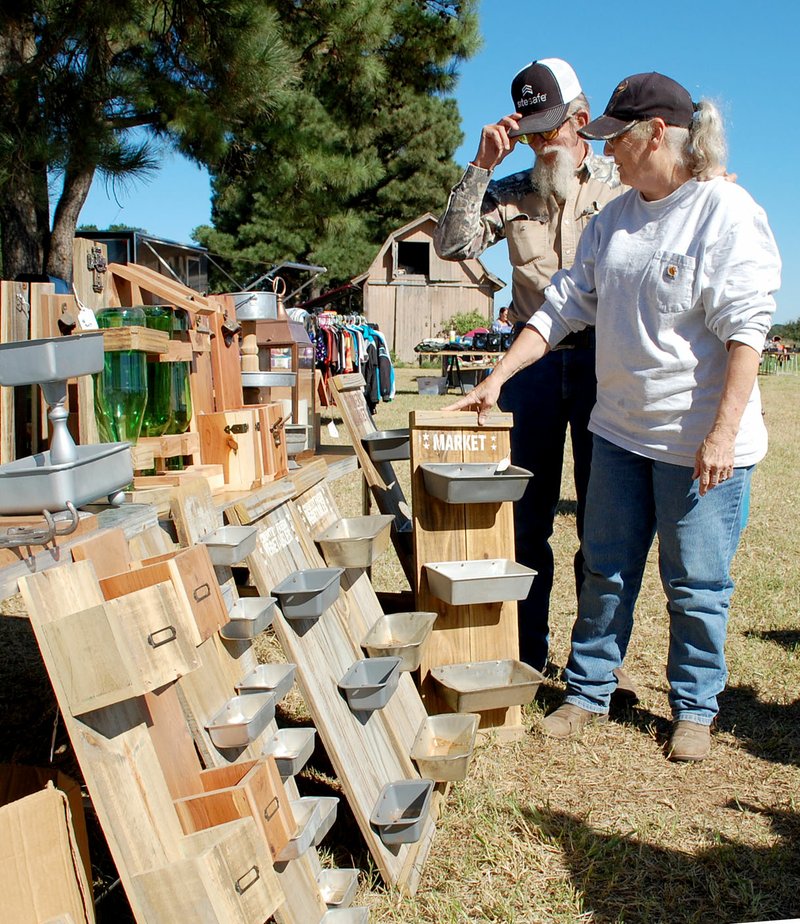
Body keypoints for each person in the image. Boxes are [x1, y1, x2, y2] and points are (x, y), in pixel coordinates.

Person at [445, 71, 780, 761]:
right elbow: (562, 303)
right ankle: (588, 690)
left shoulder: (726, 211)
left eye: (616, 141)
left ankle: (693, 707)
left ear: (656, 134)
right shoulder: (621, 216)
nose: (608, 155)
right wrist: (498, 378)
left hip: (696, 444)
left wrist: (722, 433)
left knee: (695, 582)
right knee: (605, 568)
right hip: (622, 431)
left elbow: (747, 332)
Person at [434, 58, 625, 673]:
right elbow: (452, 244)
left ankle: (593, 667)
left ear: (580, 118)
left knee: (602, 527)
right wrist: (481, 166)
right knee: (525, 521)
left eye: (551, 129)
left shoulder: (623, 187)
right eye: (531, 132)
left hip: (607, 364)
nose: (543, 145)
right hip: (531, 368)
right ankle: (526, 655)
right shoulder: (512, 191)